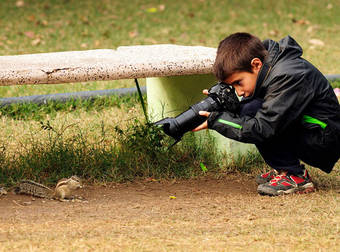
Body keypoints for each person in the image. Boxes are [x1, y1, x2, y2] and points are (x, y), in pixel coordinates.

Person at [193, 32, 340, 196]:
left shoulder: (288, 75)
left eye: (238, 83)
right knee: (249, 108)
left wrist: (218, 120)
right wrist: (228, 106)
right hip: (312, 129)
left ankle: (295, 176)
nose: (239, 92)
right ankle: (284, 168)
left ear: (256, 64)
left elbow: (264, 127)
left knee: (253, 113)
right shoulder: (271, 66)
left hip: (323, 139)